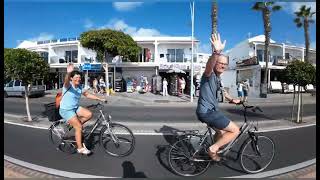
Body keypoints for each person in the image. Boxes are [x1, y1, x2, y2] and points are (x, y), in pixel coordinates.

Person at [196, 33, 240, 161]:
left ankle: (210, 149)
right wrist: (216, 52)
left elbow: (223, 92)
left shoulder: (218, 79)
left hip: (209, 112)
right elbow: (208, 66)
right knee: (235, 130)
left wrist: (232, 99)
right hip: (208, 112)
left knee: (220, 133)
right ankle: (212, 149)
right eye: (220, 63)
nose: (223, 66)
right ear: (215, 63)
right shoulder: (209, 75)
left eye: (225, 64)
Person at [59, 63, 107, 155]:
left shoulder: (80, 87)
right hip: (66, 110)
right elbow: (65, 81)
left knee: (89, 114)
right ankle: (80, 148)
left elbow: (87, 94)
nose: (78, 79)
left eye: (79, 78)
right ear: (71, 78)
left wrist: (99, 98)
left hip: (75, 108)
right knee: (78, 127)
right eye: (76, 77)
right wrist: (68, 73)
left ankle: (74, 125)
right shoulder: (68, 86)